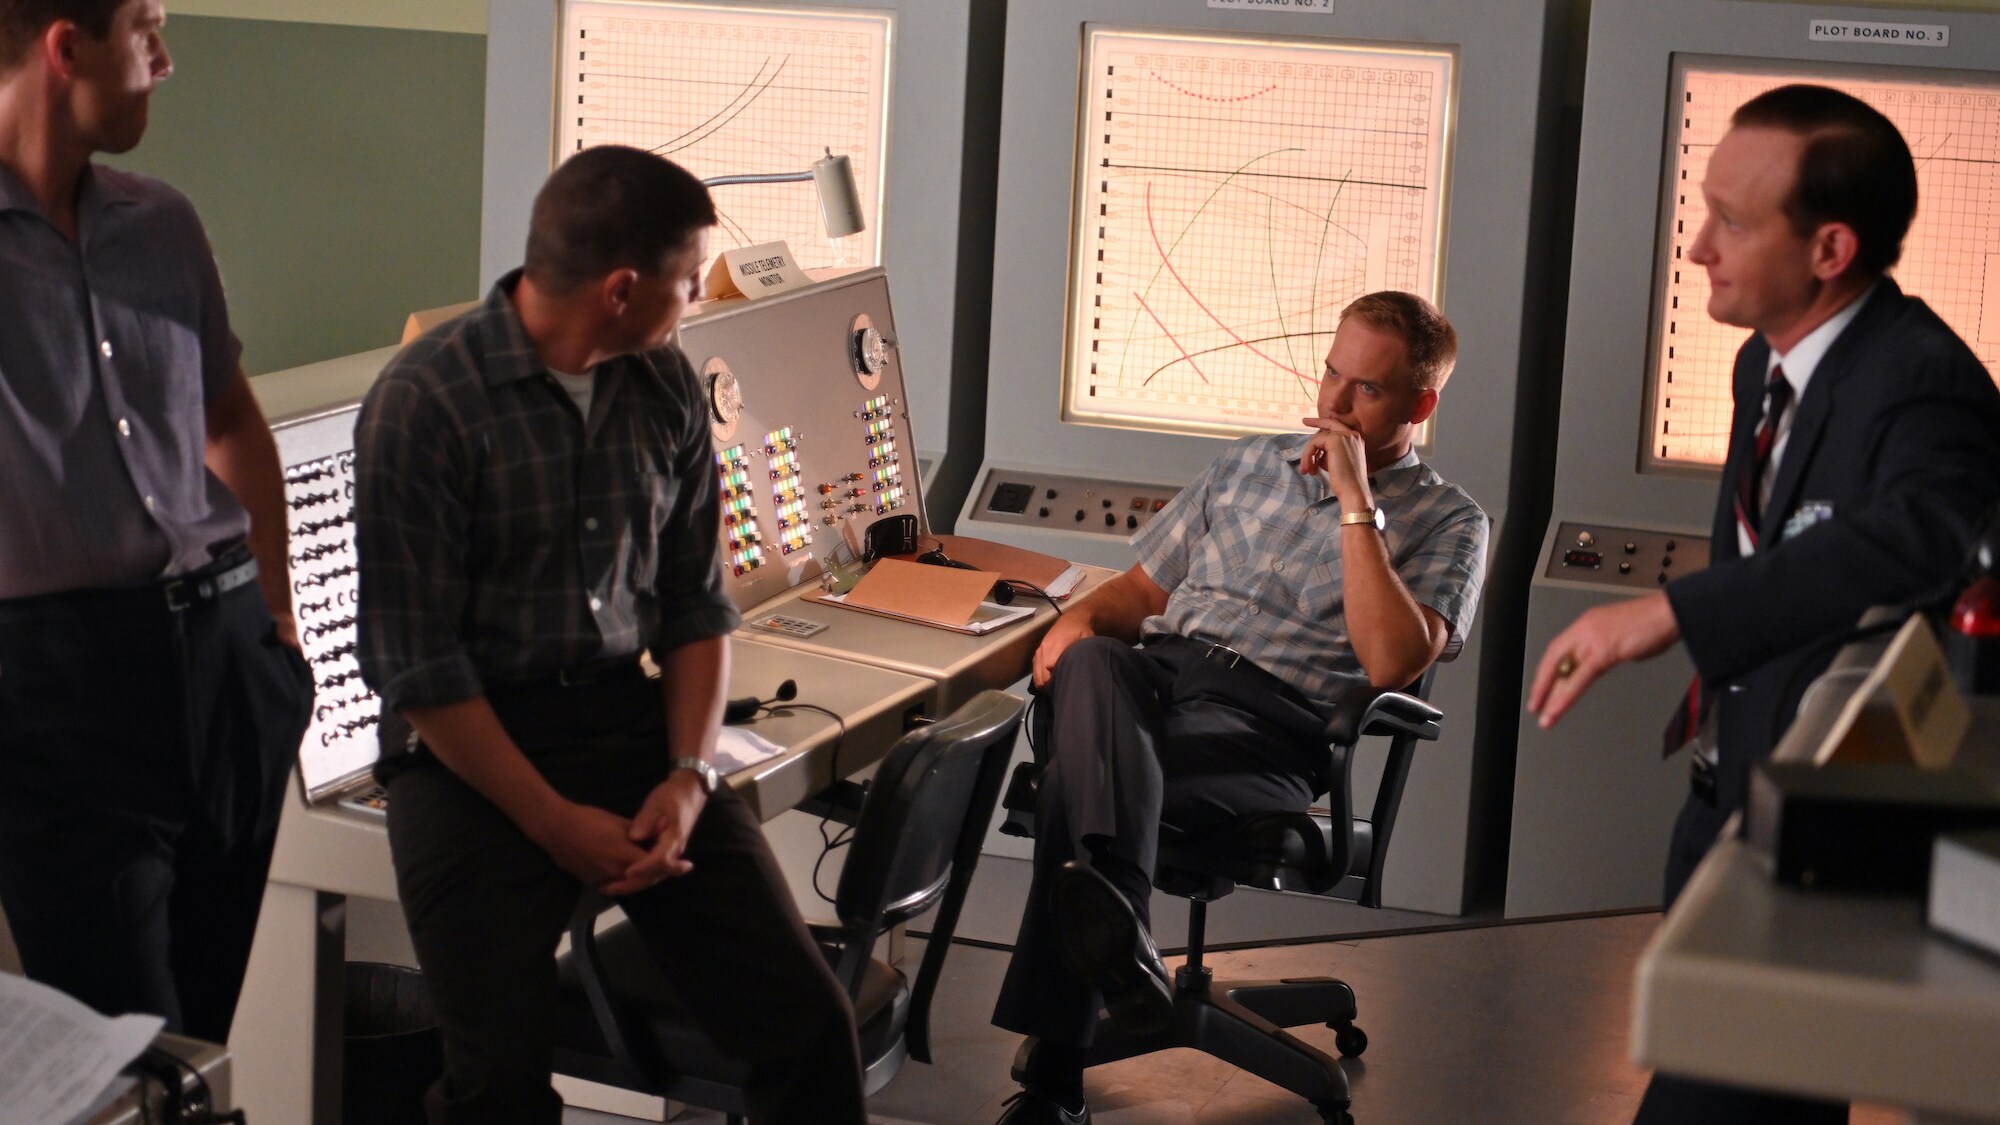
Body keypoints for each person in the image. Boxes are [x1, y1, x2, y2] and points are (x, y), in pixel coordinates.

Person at [352, 145, 866, 1125]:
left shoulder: (663, 383)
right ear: (623, 289)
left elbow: (694, 606)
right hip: (467, 752)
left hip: (628, 729)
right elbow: (419, 668)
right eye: (686, 281)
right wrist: (553, 823)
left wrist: (685, 772)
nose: (692, 300)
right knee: (495, 1086)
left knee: (806, 1027)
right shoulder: (424, 402)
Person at [1529, 84, 2000, 1124]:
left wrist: (1672, 613)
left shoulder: (1920, 382)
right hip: (1727, 794)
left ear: (1829, 249)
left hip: (1818, 831)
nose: (1698, 247)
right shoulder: (1763, 362)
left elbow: (1914, 535)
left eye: (1731, 222)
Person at [990, 292, 1489, 1124]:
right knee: (1095, 661)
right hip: (1153, 686)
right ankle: (1122, 932)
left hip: (1266, 728)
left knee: (1086, 796)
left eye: (1364, 389)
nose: (1331, 402)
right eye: (1332, 371)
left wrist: (1357, 501)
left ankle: (1057, 1077)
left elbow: (1394, 659)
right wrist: (1078, 621)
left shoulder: (1449, 519)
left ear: (1420, 405)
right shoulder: (1248, 462)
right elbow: (1140, 592)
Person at [0, 0, 312, 1042]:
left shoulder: (163, 221)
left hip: (229, 661)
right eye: (146, 30)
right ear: (64, 46)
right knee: (127, 1053)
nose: (165, 61)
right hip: (58, 685)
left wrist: (279, 627)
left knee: (203, 1043)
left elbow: (230, 417)